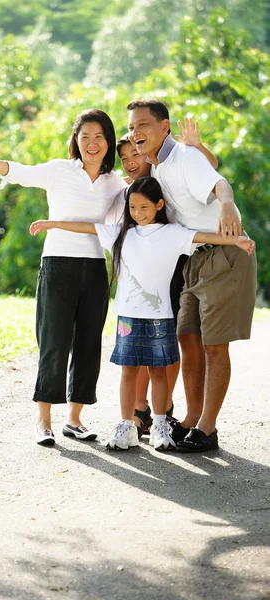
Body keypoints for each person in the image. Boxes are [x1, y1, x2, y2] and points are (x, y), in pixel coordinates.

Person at [29, 177, 255, 451]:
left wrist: (238, 241)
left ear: (159, 205)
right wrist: (52, 224)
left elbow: (203, 236)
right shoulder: (122, 234)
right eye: (133, 207)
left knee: (158, 373)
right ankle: (127, 426)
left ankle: (160, 425)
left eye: (144, 207)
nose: (138, 213)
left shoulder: (172, 233)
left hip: (160, 317)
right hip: (127, 318)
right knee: (129, 373)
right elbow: (87, 228)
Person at [0, 109, 127, 446]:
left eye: (99, 137)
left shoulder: (115, 183)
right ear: (75, 141)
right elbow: (17, 171)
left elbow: (127, 213)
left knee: (88, 344)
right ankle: (43, 420)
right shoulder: (59, 171)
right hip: (58, 264)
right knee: (54, 342)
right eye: (85, 137)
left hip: (94, 267)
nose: (92, 143)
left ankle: (75, 419)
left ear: (108, 141)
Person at [127, 99, 257, 452]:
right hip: (194, 260)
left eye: (143, 125)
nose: (135, 133)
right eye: (131, 127)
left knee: (215, 345)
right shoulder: (155, 169)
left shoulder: (183, 157)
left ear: (164, 126)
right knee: (187, 339)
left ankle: (207, 428)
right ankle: (191, 419)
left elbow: (219, 182)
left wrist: (227, 203)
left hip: (225, 252)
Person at [115, 121, 219, 438]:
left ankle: (164, 409)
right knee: (142, 345)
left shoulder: (164, 172)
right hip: (142, 283)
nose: (132, 160)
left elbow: (210, 168)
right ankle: (141, 410)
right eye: (124, 157)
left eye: (136, 152)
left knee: (168, 340)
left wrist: (196, 144)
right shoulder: (128, 191)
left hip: (177, 265)